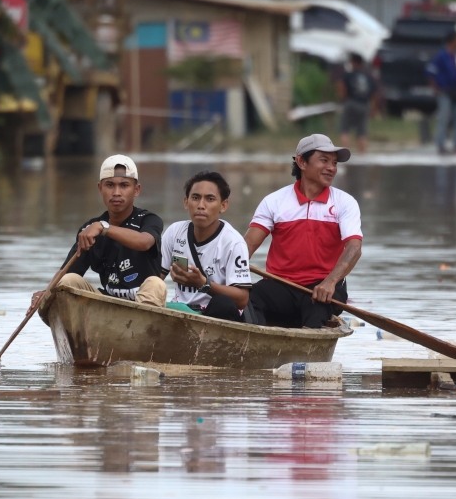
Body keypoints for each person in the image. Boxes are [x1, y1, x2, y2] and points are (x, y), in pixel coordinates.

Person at [244, 134, 362, 329]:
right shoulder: (274, 201)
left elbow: (354, 248)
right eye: (324, 160)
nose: (331, 168)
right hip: (280, 286)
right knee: (246, 298)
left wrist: (330, 282)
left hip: (323, 287)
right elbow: (247, 245)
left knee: (316, 308)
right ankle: (257, 340)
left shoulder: (345, 202)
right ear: (301, 162)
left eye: (334, 163)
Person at [29, 155, 166, 316]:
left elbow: (144, 242)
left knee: (156, 284)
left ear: (136, 190)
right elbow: (68, 271)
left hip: (142, 303)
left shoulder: (149, 220)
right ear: (100, 188)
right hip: (107, 304)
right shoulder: (89, 230)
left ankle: (140, 335)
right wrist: (45, 293)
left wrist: (104, 228)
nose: (116, 192)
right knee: (67, 282)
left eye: (124, 185)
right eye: (109, 185)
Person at [160, 171, 251, 322]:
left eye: (210, 199)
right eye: (195, 198)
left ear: (223, 205)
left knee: (223, 303)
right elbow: (157, 276)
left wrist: (203, 284)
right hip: (180, 310)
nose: (201, 206)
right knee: (151, 287)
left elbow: (242, 299)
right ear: (186, 202)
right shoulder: (174, 233)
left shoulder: (233, 243)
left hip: (215, 315)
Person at [427, 31, 456, 154]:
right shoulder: (442, 55)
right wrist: (435, 88)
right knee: (443, 117)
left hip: (455, 91)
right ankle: (440, 143)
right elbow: (430, 71)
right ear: (452, 41)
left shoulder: (453, 55)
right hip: (444, 91)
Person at [337, 53, 377, 155]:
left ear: (353, 63)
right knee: (362, 133)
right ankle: (362, 155)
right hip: (364, 105)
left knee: (344, 130)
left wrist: (344, 98)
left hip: (350, 102)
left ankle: (346, 155)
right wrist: (373, 109)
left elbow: (340, 85)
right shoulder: (368, 76)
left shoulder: (348, 74)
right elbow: (374, 93)